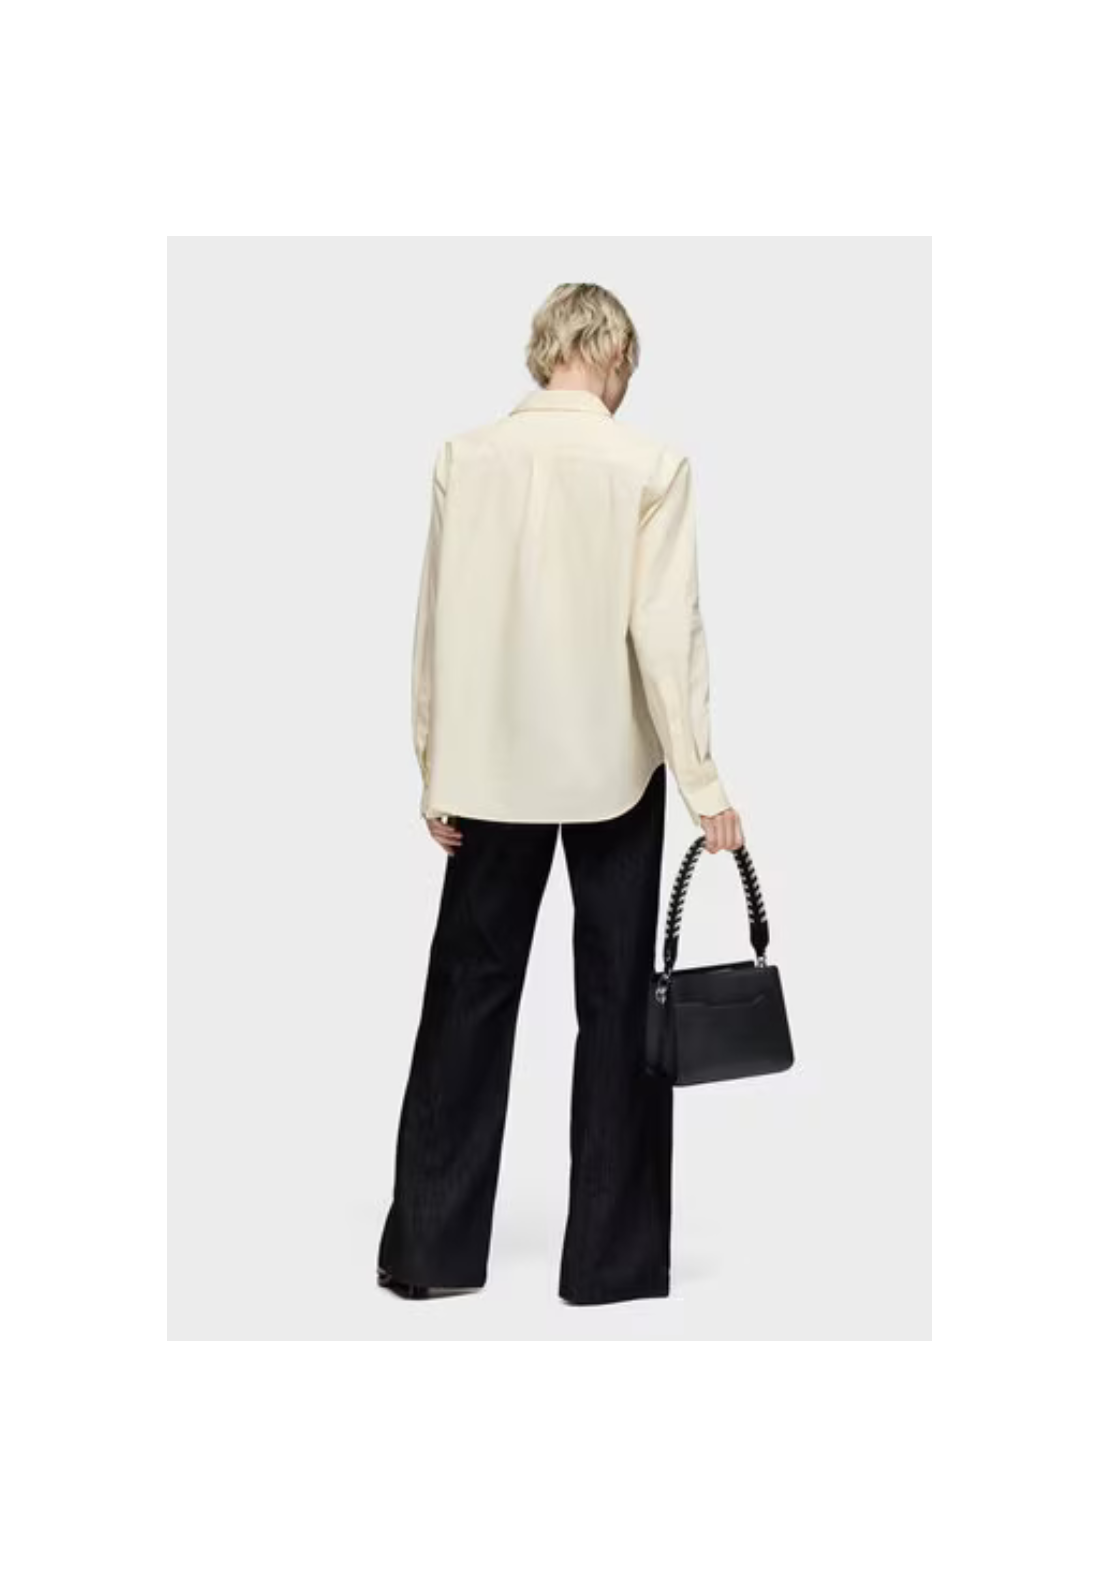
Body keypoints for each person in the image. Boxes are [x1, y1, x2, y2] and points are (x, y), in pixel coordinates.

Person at [377, 282, 744, 1306]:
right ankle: (609, 1264)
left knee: (467, 997)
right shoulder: (650, 466)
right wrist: (703, 781)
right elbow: (665, 636)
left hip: (488, 769)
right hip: (609, 770)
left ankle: (431, 1253)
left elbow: (434, 622)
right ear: (615, 355)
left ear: (546, 350)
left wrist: (433, 766)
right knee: (620, 1002)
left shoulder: (465, 457)